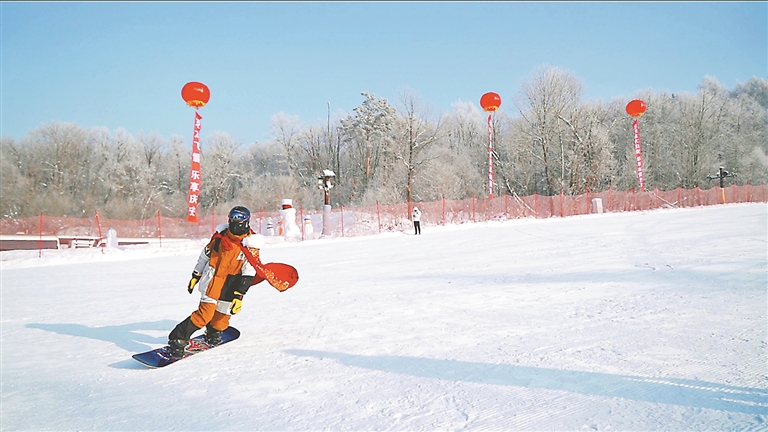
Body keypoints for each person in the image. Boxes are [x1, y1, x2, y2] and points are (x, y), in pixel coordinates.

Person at [167, 205, 264, 358]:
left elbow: (249, 273)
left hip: (231, 284)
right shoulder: (219, 238)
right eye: (232, 217)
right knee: (204, 315)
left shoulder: (250, 245)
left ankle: (213, 331)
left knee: (221, 321)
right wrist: (196, 275)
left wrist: (239, 296)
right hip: (212, 280)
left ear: (246, 221)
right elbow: (204, 256)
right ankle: (177, 338)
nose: (235, 221)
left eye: (239, 217)